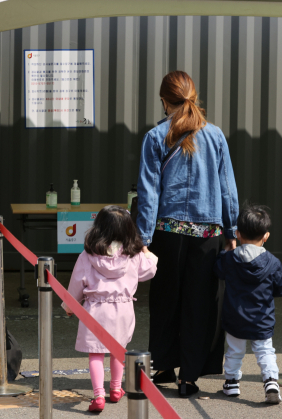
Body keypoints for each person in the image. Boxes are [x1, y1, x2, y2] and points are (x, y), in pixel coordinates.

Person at [136, 70, 239, 397]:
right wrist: (232, 229)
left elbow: (149, 192)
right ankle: (189, 377)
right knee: (200, 304)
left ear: (165, 101)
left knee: (166, 299)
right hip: (208, 235)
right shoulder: (217, 136)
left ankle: (163, 365)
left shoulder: (156, 137)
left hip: (168, 232)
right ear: (193, 97)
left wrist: (143, 238)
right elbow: (227, 189)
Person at [62, 206, 158, 412]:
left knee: (96, 354)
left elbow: (77, 282)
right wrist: (146, 250)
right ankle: (115, 389)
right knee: (118, 351)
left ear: (99, 227)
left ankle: (98, 395)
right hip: (123, 310)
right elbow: (149, 271)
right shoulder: (133, 254)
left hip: (95, 310)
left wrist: (69, 306)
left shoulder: (88, 255)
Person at [214, 204, 282, 404]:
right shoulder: (273, 263)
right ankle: (271, 382)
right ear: (266, 236)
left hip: (234, 316)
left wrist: (224, 253)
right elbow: (280, 289)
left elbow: (218, 271)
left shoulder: (229, 259)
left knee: (234, 351)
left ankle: (231, 383)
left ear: (237, 234)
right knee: (265, 351)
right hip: (262, 319)